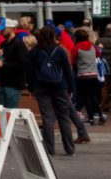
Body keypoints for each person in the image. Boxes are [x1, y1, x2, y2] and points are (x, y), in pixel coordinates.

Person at [26, 27, 74, 157]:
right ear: (53, 36)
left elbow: (31, 72)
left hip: (41, 86)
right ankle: (69, 148)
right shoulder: (60, 51)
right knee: (64, 117)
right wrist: (71, 88)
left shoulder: (35, 52)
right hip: (60, 86)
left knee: (47, 118)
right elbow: (68, 71)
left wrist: (31, 88)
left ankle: (49, 149)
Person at [73, 28, 103, 126]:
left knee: (86, 97)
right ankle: (100, 115)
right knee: (94, 97)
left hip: (82, 75)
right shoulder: (92, 46)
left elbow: (72, 61)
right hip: (93, 74)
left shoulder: (77, 47)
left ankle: (91, 118)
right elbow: (98, 54)